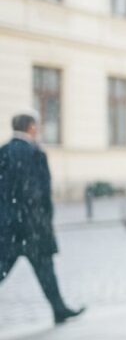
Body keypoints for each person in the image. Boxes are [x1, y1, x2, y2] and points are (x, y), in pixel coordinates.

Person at [0, 112, 85, 324]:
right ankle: (59, 308)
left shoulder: (4, 152)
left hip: (8, 226)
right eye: (36, 126)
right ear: (31, 127)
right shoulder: (36, 153)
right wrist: (45, 219)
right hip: (33, 226)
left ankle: (59, 308)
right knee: (46, 269)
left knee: (4, 268)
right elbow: (42, 193)